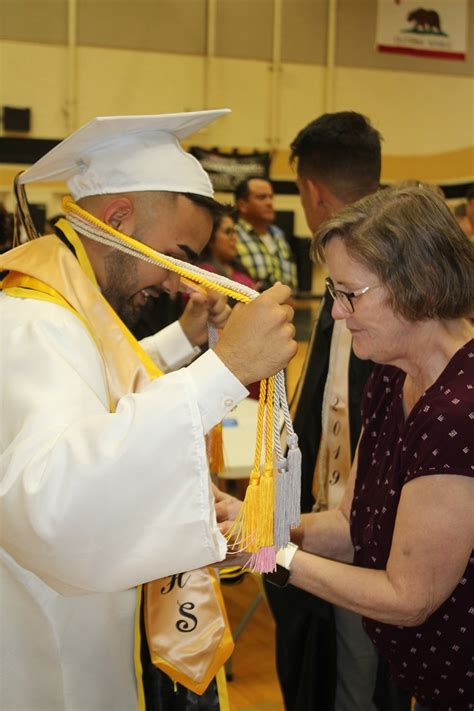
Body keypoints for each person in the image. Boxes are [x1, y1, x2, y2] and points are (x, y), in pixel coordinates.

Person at [0, 110, 298, 711]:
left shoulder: (69, 305)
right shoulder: (33, 321)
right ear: (116, 221)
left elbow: (107, 389)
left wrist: (188, 340)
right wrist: (224, 371)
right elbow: (54, 497)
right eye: (176, 255)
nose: (177, 283)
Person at [262, 185, 473, 711]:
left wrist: (270, 553)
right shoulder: (387, 378)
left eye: (349, 293)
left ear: (419, 285)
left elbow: (409, 598)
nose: (336, 312)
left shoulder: (459, 411)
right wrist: (260, 522)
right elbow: (352, 527)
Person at [263, 111, 409, 711]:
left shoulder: (385, 296)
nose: (346, 309)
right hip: (341, 519)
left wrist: (272, 543)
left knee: (359, 677)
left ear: (312, 192)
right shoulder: (373, 277)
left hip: (375, 541)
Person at [234, 176, 298, 291]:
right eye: (262, 197)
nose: (269, 202)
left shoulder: (279, 235)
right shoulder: (232, 235)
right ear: (243, 205)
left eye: (271, 197)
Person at [197, 205, 257, 290]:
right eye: (228, 232)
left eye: (234, 232)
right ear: (211, 237)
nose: (234, 238)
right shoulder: (201, 274)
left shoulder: (240, 268)